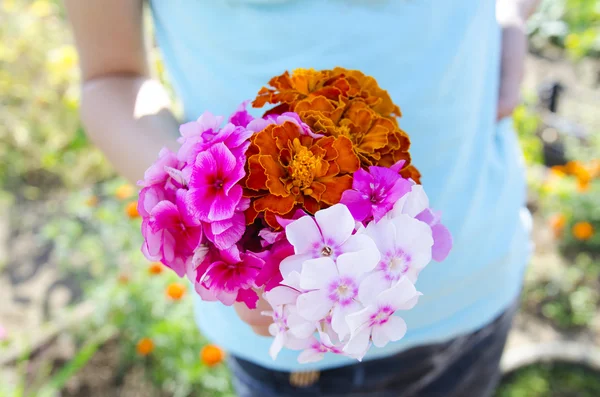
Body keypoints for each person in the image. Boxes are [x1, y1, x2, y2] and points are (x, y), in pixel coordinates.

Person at [65, 0, 539, 395]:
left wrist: (511, 14)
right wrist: (209, 218)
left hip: (481, 269)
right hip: (301, 337)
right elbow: (111, 77)